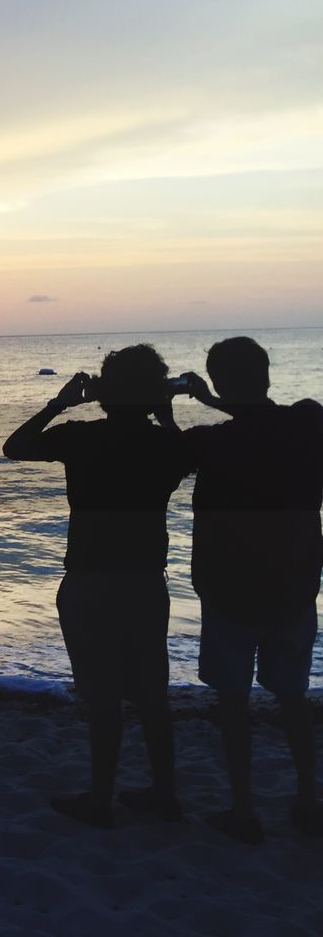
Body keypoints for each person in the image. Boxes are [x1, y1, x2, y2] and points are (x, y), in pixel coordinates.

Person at [3, 345, 188, 828]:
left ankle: (102, 798)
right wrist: (166, 418)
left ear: (103, 392)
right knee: (152, 694)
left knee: (103, 695)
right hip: (146, 579)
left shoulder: (80, 437)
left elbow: (15, 446)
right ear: (153, 395)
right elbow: (192, 459)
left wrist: (59, 404)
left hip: (89, 577)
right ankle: (164, 794)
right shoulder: (166, 445)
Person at [180, 336, 322, 842]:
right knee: (293, 700)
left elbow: (177, 454)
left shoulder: (211, 443)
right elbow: (268, 421)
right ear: (265, 373)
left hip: (229, 591)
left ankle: (244, 809)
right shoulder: (308, 424)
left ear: (218, 381)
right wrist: (217, 403)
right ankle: (307, 799)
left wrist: (176, 410)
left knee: (234, 705)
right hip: (294, 586)